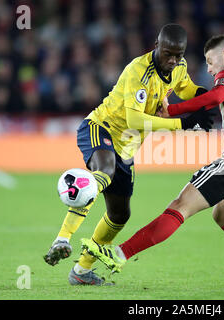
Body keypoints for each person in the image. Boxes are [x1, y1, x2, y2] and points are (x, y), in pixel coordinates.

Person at [81, 34, 224, 286]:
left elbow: (215, 97)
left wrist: (173, 110)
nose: (209, 69)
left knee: (179, 206)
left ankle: (119, 254)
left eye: (210, 62)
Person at [43, 23, 214, 286]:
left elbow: (188, 89)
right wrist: (182, 124)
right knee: (104, 171)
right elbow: (135, 118)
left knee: (119, 215)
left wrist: (212, 99)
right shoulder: (138, 71)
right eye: (168, 53)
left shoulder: (178, 68)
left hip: (126, 149)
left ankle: (81, 271)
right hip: (100, 128)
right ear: (156, 46)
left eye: (178, 55)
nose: (172, 60)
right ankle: (62, 238)